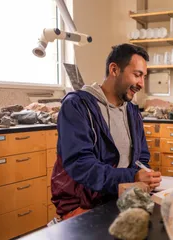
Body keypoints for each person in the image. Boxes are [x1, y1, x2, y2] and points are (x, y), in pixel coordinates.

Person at [51, 43, 162, 220]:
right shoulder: (77, 106)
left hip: (120, 197)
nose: (141, 83)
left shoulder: (132, 111)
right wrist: (132, 175)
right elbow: (81, 164)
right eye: (137, 75)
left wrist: (146, 175)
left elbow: (141, 158)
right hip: (84, 204)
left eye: (144, 77)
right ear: (114, 70)